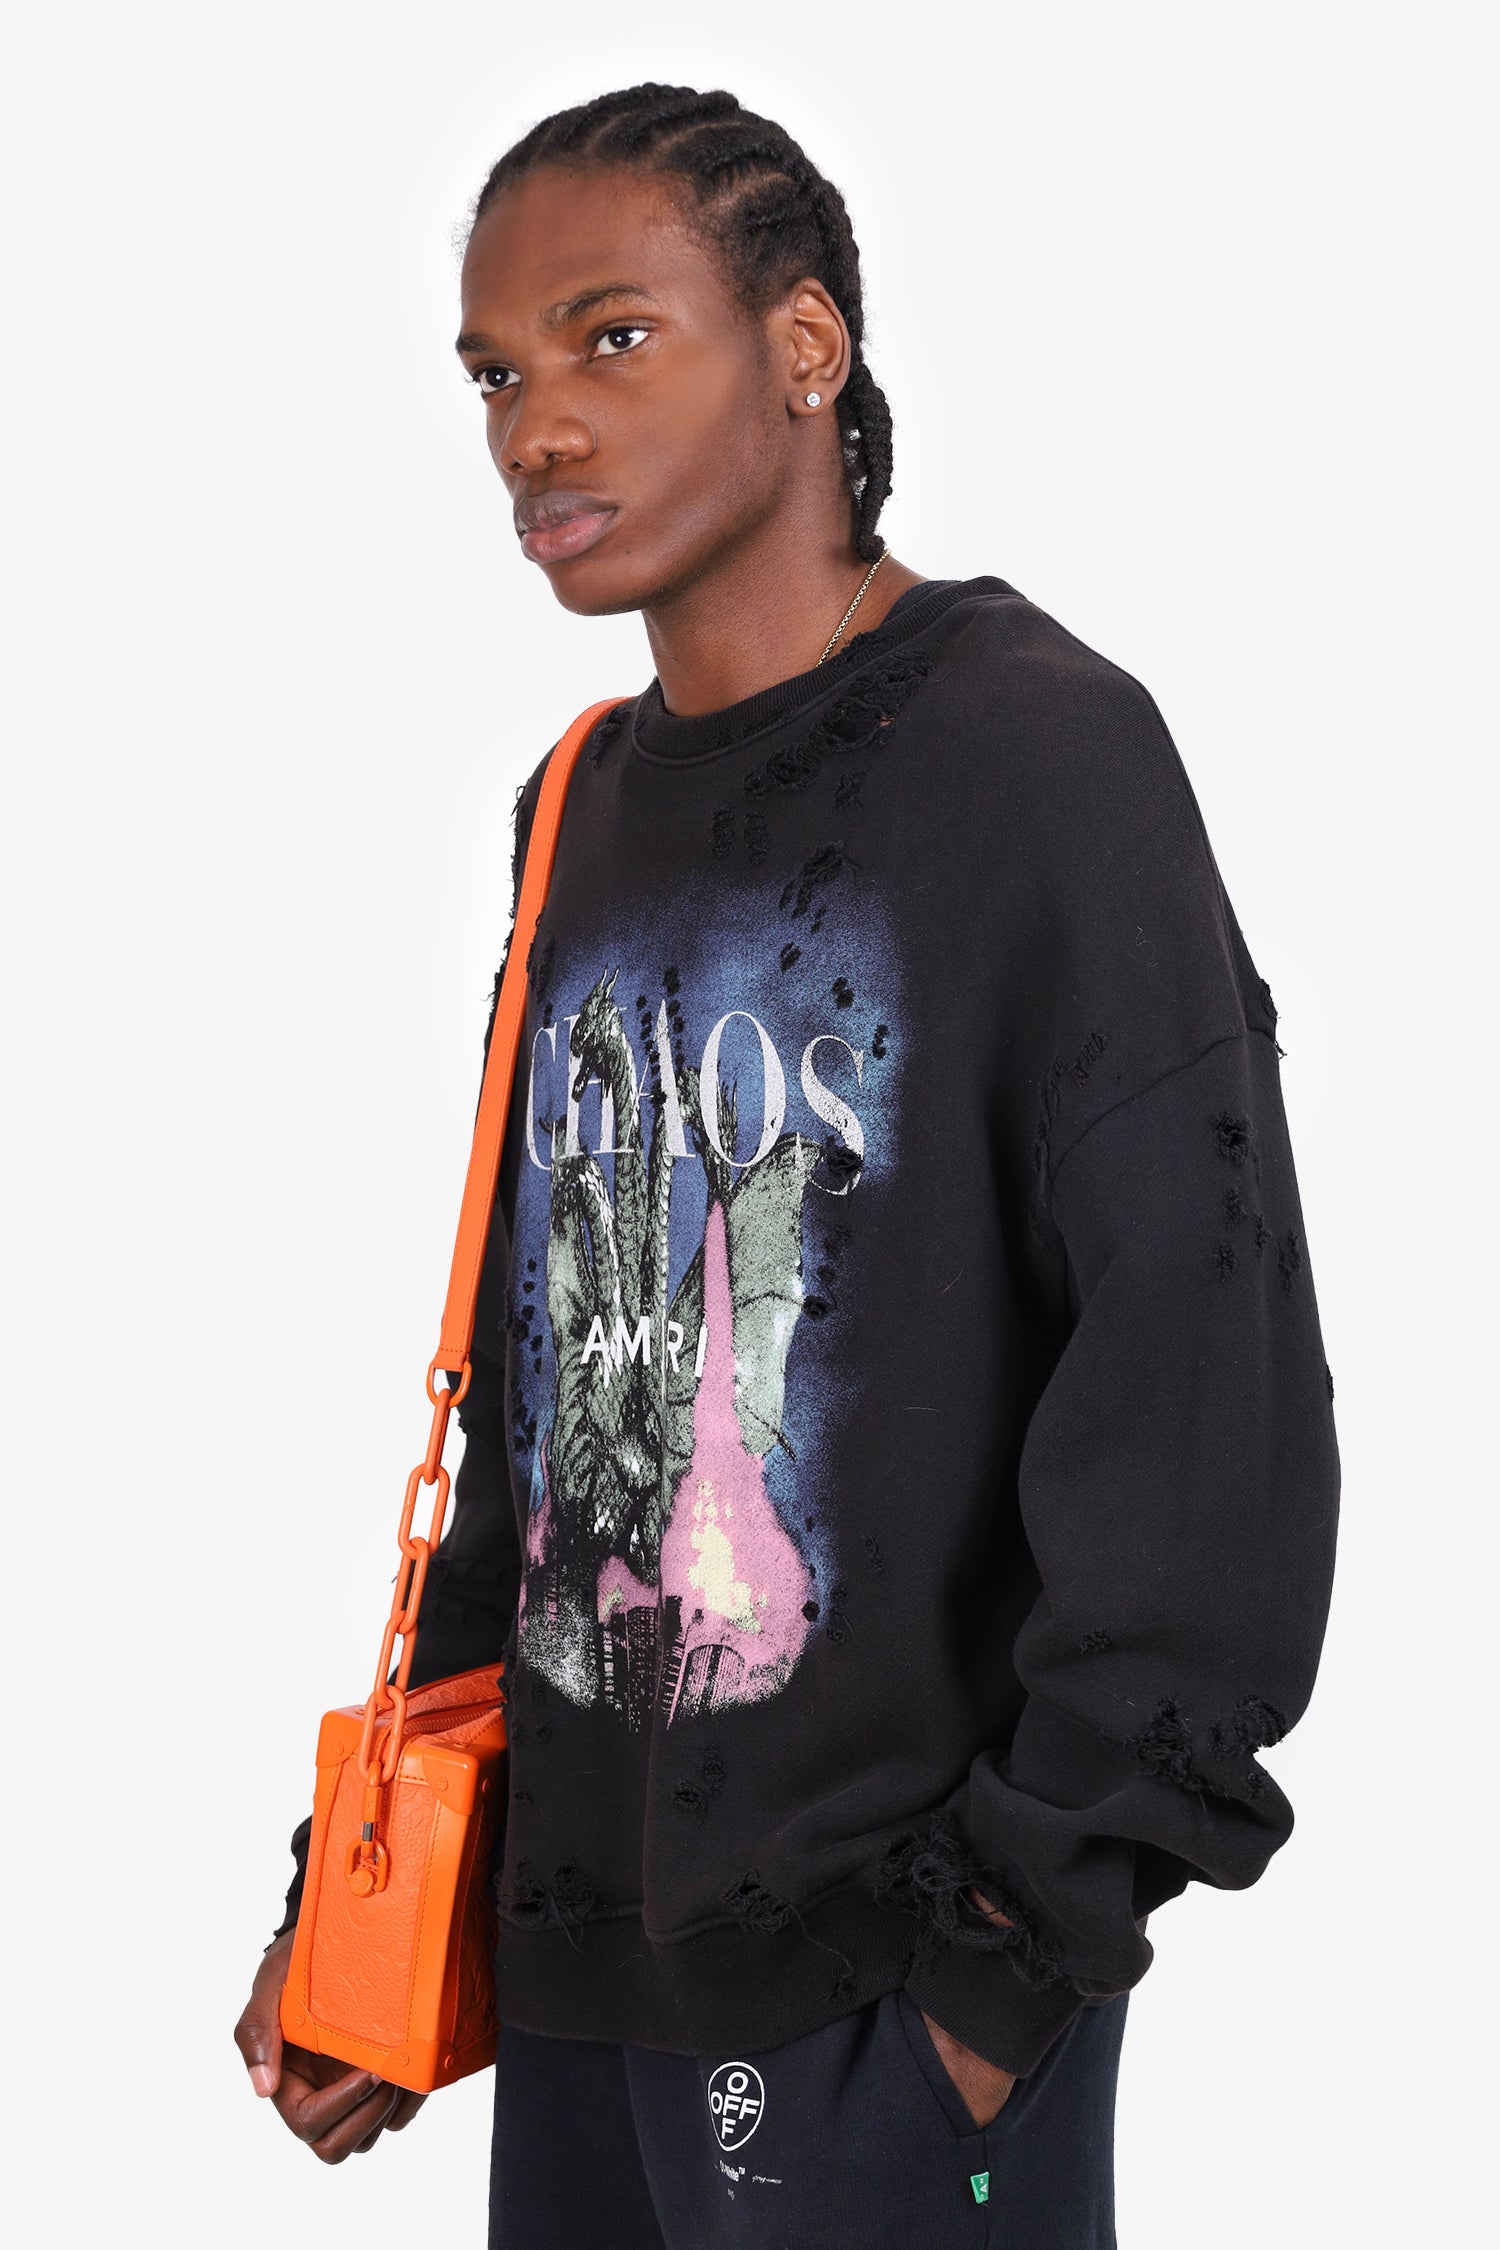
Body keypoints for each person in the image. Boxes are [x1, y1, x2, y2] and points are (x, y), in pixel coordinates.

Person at [234, 82, 1341, 2249]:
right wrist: (365, 1892)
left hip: (886, 1984)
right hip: (580, 1972)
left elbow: (1205, 1384)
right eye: (494, 374)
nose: (538, 428)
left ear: (806, 344)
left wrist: (1011, 1953)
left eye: (609, 336)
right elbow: (540, 1389)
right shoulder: (577, 804)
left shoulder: (1041, 757)